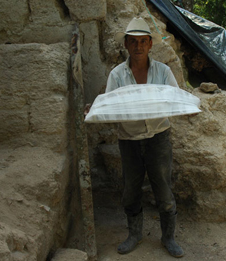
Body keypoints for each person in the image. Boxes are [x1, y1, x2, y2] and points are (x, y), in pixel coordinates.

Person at [87, 17, 184, 258]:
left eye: (143, 41)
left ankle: (169, 238)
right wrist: (96, 109)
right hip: (128, 139)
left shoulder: (163, 71)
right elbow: (110, 104)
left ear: (150, 44)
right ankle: (134, 235)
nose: (138, 46)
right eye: (133, 42)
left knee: (163, 188)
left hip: (158, 136)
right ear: (127, 46)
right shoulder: (118, 75)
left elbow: (176, 98)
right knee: (131, 189)